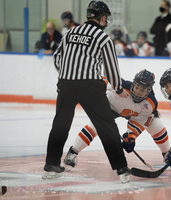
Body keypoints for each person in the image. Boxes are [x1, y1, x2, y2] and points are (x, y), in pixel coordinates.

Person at [42, 1, 131, 184]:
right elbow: (111, 68)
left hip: (66, 84)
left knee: (61, 123)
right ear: (102, 17)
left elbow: (57, 56)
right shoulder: (103, 38)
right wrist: (118, 88)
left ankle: (51, 164)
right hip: (90, 85)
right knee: (106, 125)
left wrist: (67, 74)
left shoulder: (70, 32)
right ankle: (121, 168)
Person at [63, 70, 170, 171]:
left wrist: (131, 137)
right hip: (109, 108)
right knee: (95, 126)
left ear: (149, 90)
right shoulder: (120, 85)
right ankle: (72, 152)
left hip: (133, 114)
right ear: (133, 83)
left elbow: (138, 121)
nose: (138, 92)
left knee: (156, 124)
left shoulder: (150, 104)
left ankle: (167, 155)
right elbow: (98, 80)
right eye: (137, 87)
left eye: (143, 90)